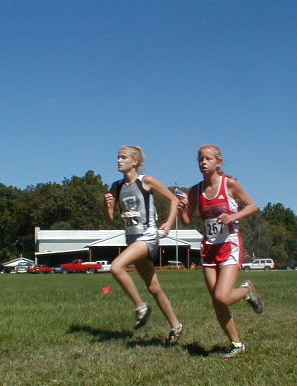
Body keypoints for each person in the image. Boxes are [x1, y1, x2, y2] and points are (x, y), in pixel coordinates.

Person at [177, 144, 265, 359]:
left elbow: (253, 206)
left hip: (229, 244)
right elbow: (187, 220)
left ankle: (246, 289)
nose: (203, 163)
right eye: (200, 159)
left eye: (208, 159)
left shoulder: (230, 184)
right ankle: (236, 344)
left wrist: (233, 216)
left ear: (219, 162)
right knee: (217, 301)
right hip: (209, 248)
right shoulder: (196, 190)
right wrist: (181, 210)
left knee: (222, 296)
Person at [103, 146, 184, 345]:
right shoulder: (116, 186)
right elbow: (109, 219)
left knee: (116, 267)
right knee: (154, 287)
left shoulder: (146, 181)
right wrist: (108, 206)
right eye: (118, 157)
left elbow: (174, 200)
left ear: (135, 162)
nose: (118, 160)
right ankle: (176, 326)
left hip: (147, 237)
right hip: (131, 239)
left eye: (123, 157)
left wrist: (168, 223)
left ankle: (141, 307)